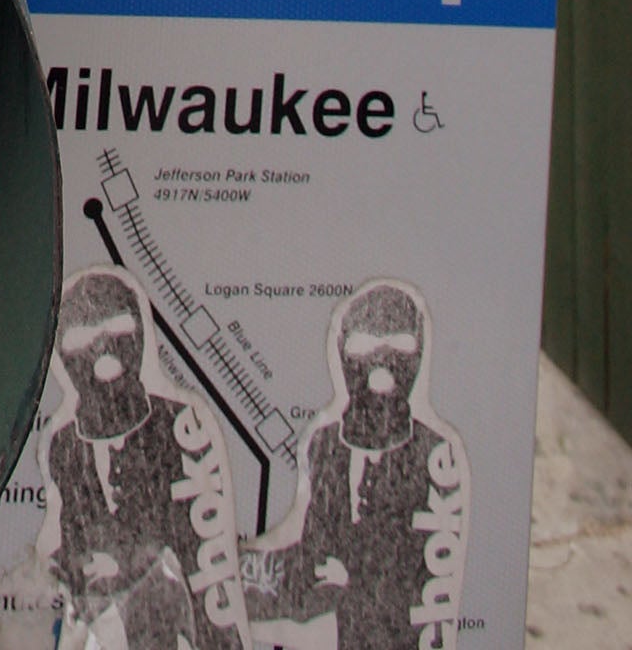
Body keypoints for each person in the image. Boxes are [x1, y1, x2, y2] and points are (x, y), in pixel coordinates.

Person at [245, 282, 468, 649]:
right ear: (343, 351)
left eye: (398, 346)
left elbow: (415, 572)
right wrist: (240, 573)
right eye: (365, 346)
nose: (381, 361)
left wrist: (349, 577)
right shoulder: (326, 444)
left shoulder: (435, 454)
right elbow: (314, 557)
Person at [42, 267, 250, 649]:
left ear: (138, 334)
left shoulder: (179, 423)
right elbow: (70, 534)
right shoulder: (65, 446)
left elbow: (203, 552)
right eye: (84, 338)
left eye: (116, 331)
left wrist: (129, 565)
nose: (102, 349)